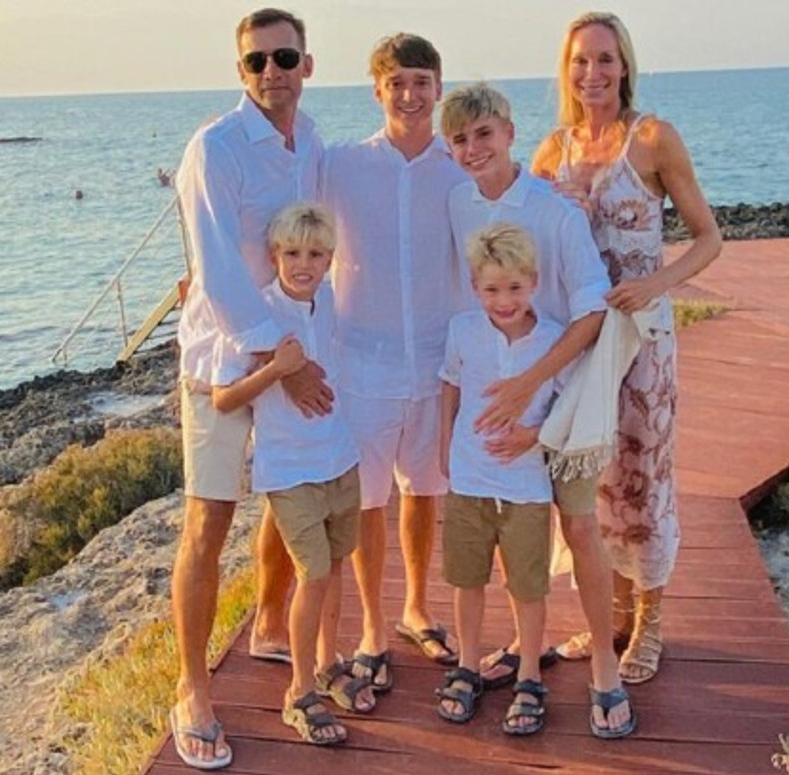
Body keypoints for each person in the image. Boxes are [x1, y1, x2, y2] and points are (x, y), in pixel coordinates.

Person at [531, 12, 722, 686]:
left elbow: (708, 237)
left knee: (645, 478)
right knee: (593, 478)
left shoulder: (652, 138)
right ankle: (609, 616)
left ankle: (651, 622)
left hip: (642, 342)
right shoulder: (552, 151)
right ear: (567, 70)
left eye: (605, 59)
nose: (593, 73)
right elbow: (533, 245)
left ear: (624, 65)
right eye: (580, 61)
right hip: (582, 341)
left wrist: (654, 284)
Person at [441, 82, 635, 738]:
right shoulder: (459, 204)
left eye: (484, 134)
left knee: (578, 527)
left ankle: (604, 663)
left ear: (509, 132)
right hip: (498, 410)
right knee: (501, 538)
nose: (474, 149)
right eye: (460, 139)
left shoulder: (554, 212)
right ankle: (507, 657)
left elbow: (592, 310)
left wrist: (531, 383)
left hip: (564, 395)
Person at [169, 7, 329, 770]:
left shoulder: (312, 142)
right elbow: (218, 272)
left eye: (284, 57)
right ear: (241, 71)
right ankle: (192, 687)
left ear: (307, 65)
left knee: (289, 489)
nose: (272, 71)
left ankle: (268, 622)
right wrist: (281, 361)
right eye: (257, 61)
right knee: (209, 519)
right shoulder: (217, 147)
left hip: (292, 348)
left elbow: (316, 244)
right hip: (225, 360)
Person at [319, 33, 469, 689]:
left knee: (425, 490)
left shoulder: (459, 168)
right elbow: (286, 223)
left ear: (438, 88)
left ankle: (416, 607)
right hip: (362, 365)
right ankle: (373, 628)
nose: (409, 95)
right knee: (367, 502)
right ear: (377, 90)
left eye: (420, 82)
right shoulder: (343, 165)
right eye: (397, 83)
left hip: (437, 361)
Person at [211, 203, 374, 746]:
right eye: (292, 253)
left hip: (339, 456)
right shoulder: (257, 314)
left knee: (336, 564)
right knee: (314, 573)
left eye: (316, 254)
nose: (304, 264)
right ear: (274, 254)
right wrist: (277, 371)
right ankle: (299, 692)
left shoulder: (327, 300)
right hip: (289, 469)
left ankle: (328, 663)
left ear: (330, 259)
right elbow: (224, 397)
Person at [436, 223, 570, 735]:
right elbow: (450, 384)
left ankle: (529, 674)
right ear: (475, 287)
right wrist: (445, 444)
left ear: (534, 281)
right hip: (470, 478)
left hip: (526, 486)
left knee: (527, 585)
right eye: (491, 289)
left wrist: (533, 436)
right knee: (467, 578)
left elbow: (567, 402)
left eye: (515, 287)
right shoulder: (463, 329)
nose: (504, 300)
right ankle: (468, 666)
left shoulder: (553, 340)